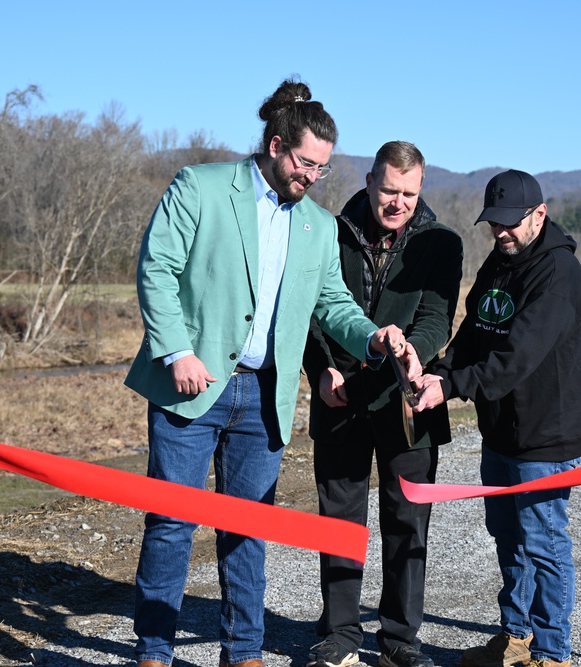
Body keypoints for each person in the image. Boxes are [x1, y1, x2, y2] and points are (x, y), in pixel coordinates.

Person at [124, 78, 411, 667]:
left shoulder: (320, 226)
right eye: (306, 163)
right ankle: (154, 652)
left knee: (248, 530)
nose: (311, 177)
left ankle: (244, 653)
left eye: (323, 170)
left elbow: (332, 306)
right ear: (277, 145)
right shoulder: (200, 186)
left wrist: (373, 336)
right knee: (172, 524)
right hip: (192, 387)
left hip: (265, 397)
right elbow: (156, 270)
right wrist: (177, 351)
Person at [413, 169, 581, 667]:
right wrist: (440, 371)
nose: (502, 233)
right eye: (494, 224)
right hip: (501, 432)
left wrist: (452, 387)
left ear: (540, 214)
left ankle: (553, 654)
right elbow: (476, 330)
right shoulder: (500, 260)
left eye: (511, 224)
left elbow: (515, 358)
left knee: (544, 542)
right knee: (508, 537)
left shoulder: (559, 276)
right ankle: (516, 638)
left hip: (545, 436)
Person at [302, 142, 463, 667]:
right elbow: (311, 311)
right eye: (390, 190)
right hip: (340, 395)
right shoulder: (326, 229)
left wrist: (419, 354)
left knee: (408, 522)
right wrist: (320, 367)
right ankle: (340, 635)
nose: (398, 202)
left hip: (409, 398)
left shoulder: (443, 242)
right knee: (339, 521)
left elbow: (438, 315)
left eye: (410, 194)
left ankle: (399, 642)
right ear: (370, 181)